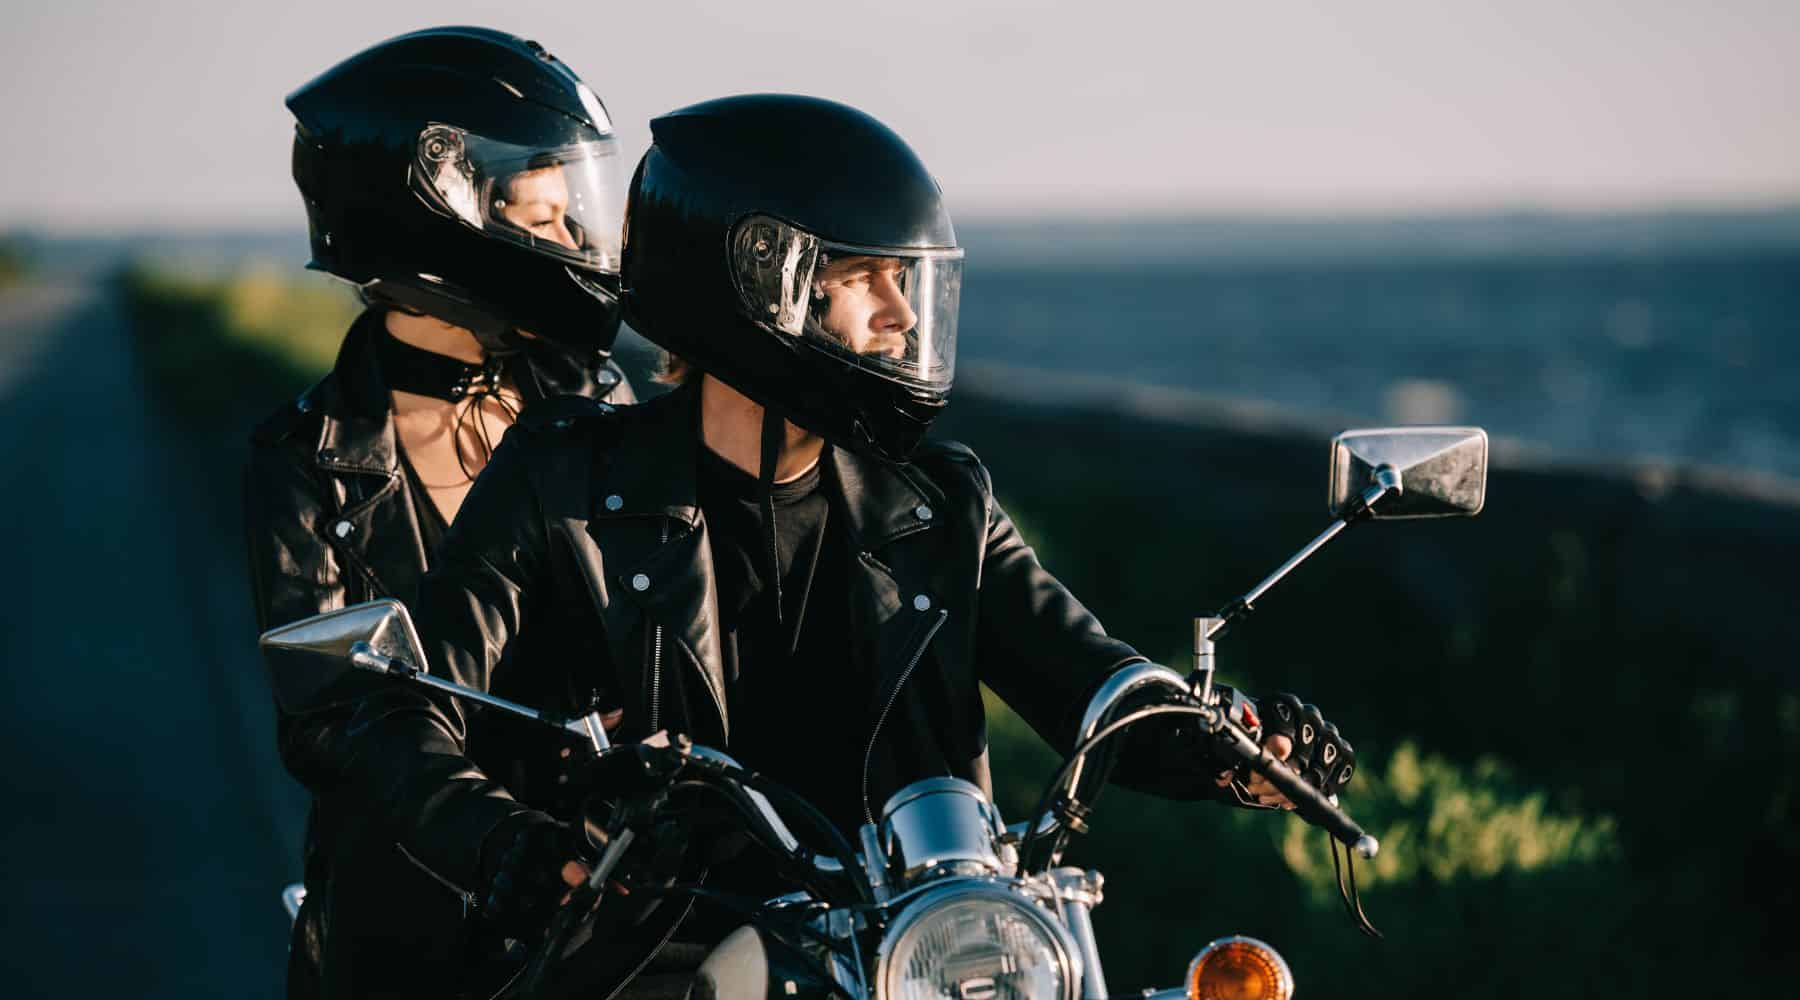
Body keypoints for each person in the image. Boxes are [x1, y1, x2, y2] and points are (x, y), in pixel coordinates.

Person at [283, 95, 1359, 996]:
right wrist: (501, 836)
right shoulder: (565, 483)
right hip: (652, 948)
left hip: (913, 946)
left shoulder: (937, 504)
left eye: (907, 280)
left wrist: (1233, 744)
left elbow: (1088, 675)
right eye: (866, 277)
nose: (902, 315)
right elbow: (401, 706)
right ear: (761, 282)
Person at [242, 26, 636, 999]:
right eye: (543, 218)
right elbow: (336, 724)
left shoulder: (597, 403)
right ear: (439, 217)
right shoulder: (308, 463)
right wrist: (498, 840)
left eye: (572, 214)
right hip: (414, 934)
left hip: (610, 903)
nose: (574, 243)